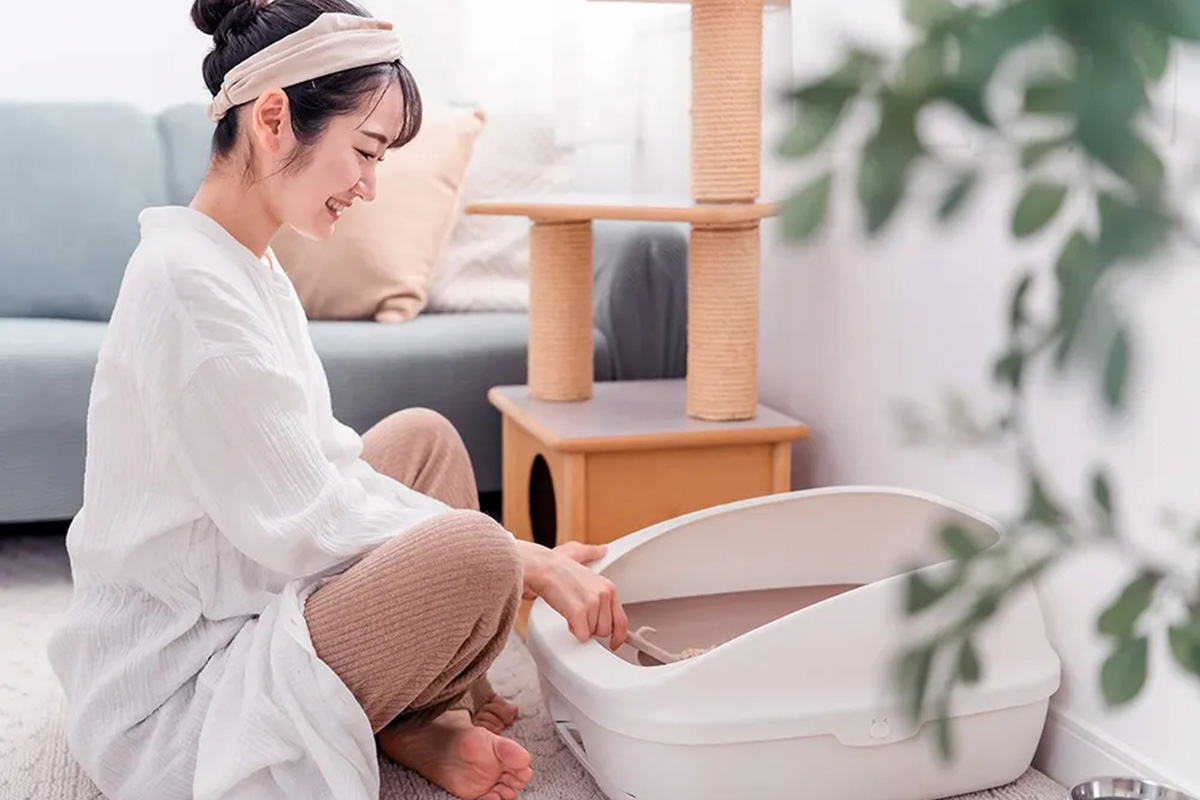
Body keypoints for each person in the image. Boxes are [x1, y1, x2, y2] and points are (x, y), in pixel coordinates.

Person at [45, 2, 629, 799]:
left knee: (423, 440)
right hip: (183, 678)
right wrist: (524, 560)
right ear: (275, 118)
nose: (369, 185)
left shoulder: (243, 262)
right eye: (364, 150)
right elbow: (308, 521)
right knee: (480, 554)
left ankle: (418, 716)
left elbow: (316, 463)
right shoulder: (190, 289)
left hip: (247, 574)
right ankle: (419, 713)